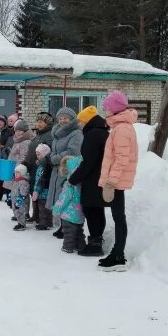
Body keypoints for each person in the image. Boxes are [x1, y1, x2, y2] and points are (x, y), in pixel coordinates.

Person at [97, 91, 139, 272]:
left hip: (117, 182)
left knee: (119, 218)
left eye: (106, 107)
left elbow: (121, 159)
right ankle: (117, 253)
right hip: (116, 181)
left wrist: (111, 183)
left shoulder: (122, 129)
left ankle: (119, 256)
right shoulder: (120, 127)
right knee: (117, 217)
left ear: (113, 109)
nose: (104, 109)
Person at [68, 106, 109, 257]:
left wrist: (74, 178)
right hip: (101, 178)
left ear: (87, 121)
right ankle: (97, 241)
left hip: (93, 179)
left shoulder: (92, 135)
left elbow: (88, 162)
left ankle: (95, 245)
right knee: (98, 210)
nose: (79, 124)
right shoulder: (103, 132)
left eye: (81, 121)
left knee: (92, 211)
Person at [45, 107, 83, 239]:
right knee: (58, 197)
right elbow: (54, 150)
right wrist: (50, 156)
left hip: (68, 170)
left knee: (66, 198)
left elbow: (73, 151)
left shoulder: (76, 133)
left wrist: (54, 159)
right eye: (60, 118)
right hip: (57, 170)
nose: (62, 121)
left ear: (72, 119)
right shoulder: (57, 133)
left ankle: (68, 228)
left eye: (65, 118)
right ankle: (62, 226)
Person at [23, 112, 54, 222]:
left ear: (47, 123)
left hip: (43, 169)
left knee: (42, 194)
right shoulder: (39, 134)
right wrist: (25, 163)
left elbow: (49, 151)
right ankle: (36, 215)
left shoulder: (50, 135)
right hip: (34, 168)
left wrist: (43, 162)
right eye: (38, 121)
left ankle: (44, 219)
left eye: (41, 122)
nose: (38, 124)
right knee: (34, 191)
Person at [3, 119, 34, 222]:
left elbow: (23, 158)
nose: (19, 132)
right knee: (17, 193)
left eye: (21, 131)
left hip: (21, 172)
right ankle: (20, 213)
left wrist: (18, 170)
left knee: (21, 194)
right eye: (17, 130)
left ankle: (24, 214)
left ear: (25, 131)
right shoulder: (17, 141)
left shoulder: (25, 142)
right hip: (16, 171)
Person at [53, 156, 85, 253]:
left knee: (69, 232)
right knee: (79, 231)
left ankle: (68, 247)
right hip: (80, 214)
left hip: (69, 214)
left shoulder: (69, 184)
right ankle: (81, 246)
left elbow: (64, 198)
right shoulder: (81, 184)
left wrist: (56, 208)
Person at [32, 143, 53, 231]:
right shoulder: (43, 164)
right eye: (36, 154)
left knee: (43, 208)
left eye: (39, 154)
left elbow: (40, 180)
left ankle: (44, 223)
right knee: (46, 207)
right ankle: (48, 222)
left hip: (43, 190)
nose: (37, 156)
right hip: (45, 189)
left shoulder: (43, 166)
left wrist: (36, 190)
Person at [10, 164, 30, 231]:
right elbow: (13, 191)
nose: (15, 174)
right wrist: (9, 198)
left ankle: (22, 224)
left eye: (17, 172)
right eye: (15, 172)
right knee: (16, 212)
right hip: (15, 200)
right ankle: (19, 223)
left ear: (22, 173)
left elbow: (23, 193)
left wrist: (19, 201)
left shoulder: (23, 182)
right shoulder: (16, 181)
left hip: (21, 202)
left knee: (21, 212)